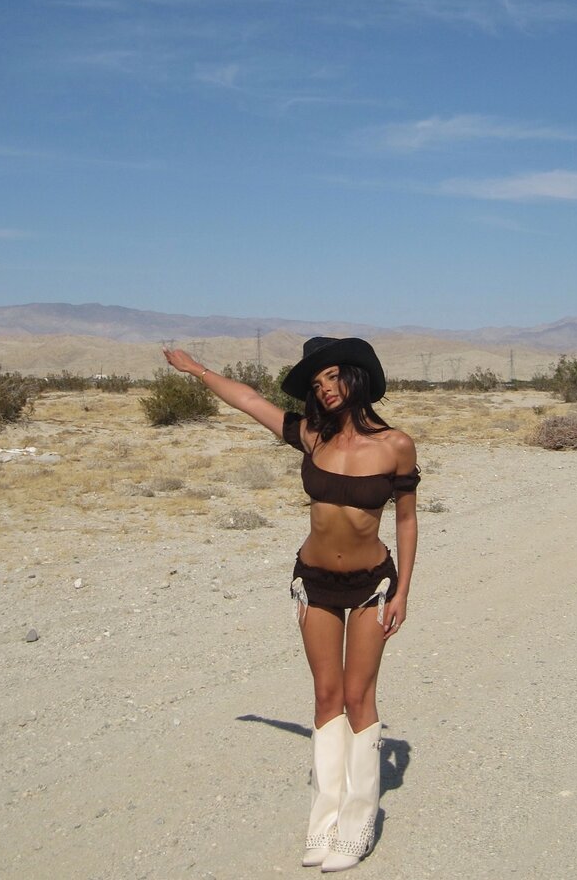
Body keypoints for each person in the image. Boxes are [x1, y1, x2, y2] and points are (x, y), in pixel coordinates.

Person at [163, 336, 419, 872]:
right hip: (315, 581)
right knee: (326, 696)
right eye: (316, 383)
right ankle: (323, 821)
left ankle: (358, 820)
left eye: (332, 376)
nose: (325, 389)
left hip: (371, 584)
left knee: (358, 697)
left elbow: (406, 519)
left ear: (355, 376)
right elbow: (249, 401)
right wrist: (196, 370)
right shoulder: (310, 436)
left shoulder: (396, 445)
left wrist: (402, 591)